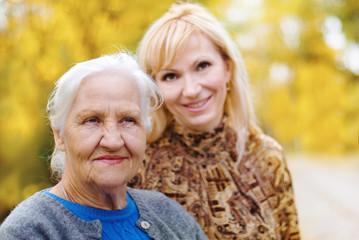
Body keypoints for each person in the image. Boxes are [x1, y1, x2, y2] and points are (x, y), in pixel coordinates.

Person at [129, 2, 300, 240]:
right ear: (155, 88)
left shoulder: (267, 158)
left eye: (202, 66)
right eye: (171, 75)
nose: (191, 89)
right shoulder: (136, 164)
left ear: (227, 68)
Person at [0, 52, 208, 240]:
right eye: (92, 120)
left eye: (128, 120)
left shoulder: (167, 212)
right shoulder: (29, 230)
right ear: (59, 136)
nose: (113, 141)